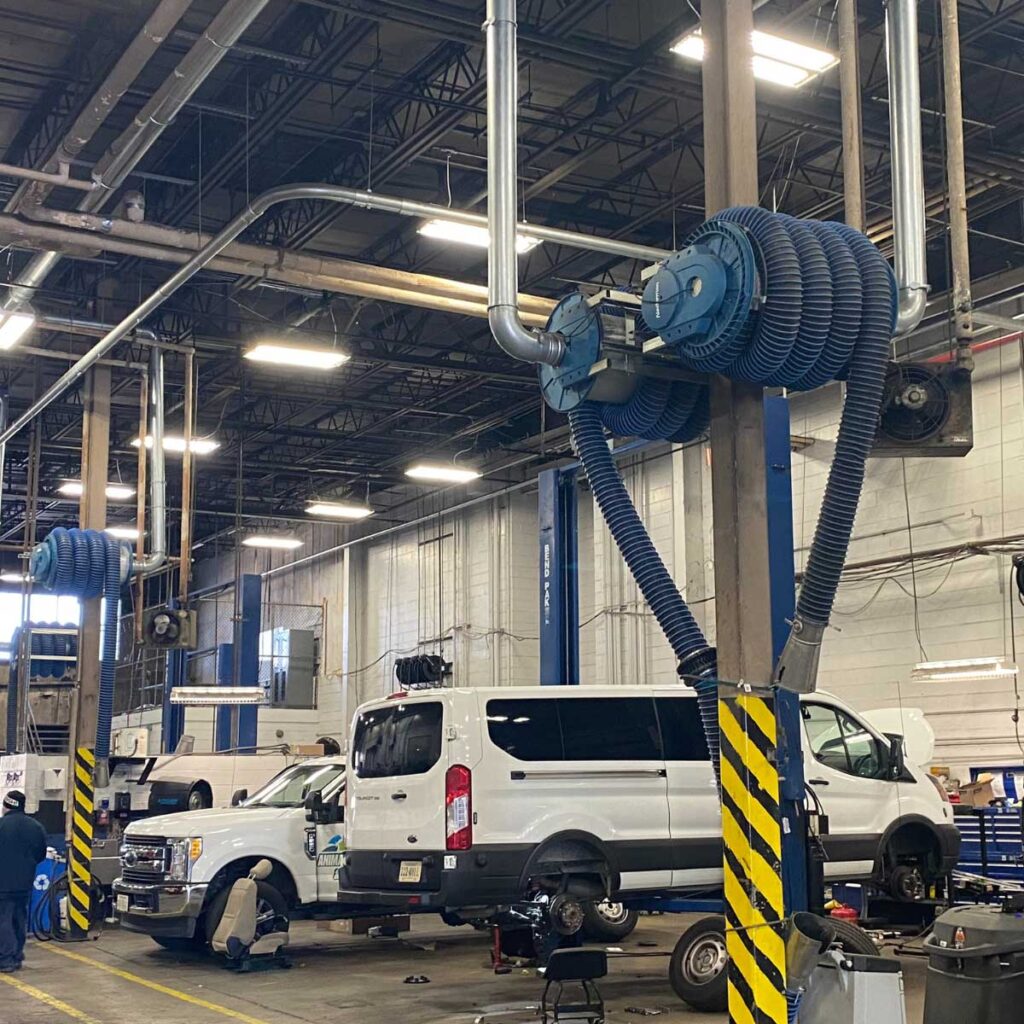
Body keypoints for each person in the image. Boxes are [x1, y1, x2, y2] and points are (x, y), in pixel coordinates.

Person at [0, 791, 47, 973]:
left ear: (7, 805)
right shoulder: (36, 827)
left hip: (3, 883)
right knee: (19, 918)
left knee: (3, 919)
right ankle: (17, 956)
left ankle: (6, 959)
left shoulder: (1, 825)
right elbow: (41, 854)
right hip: (25, 882)